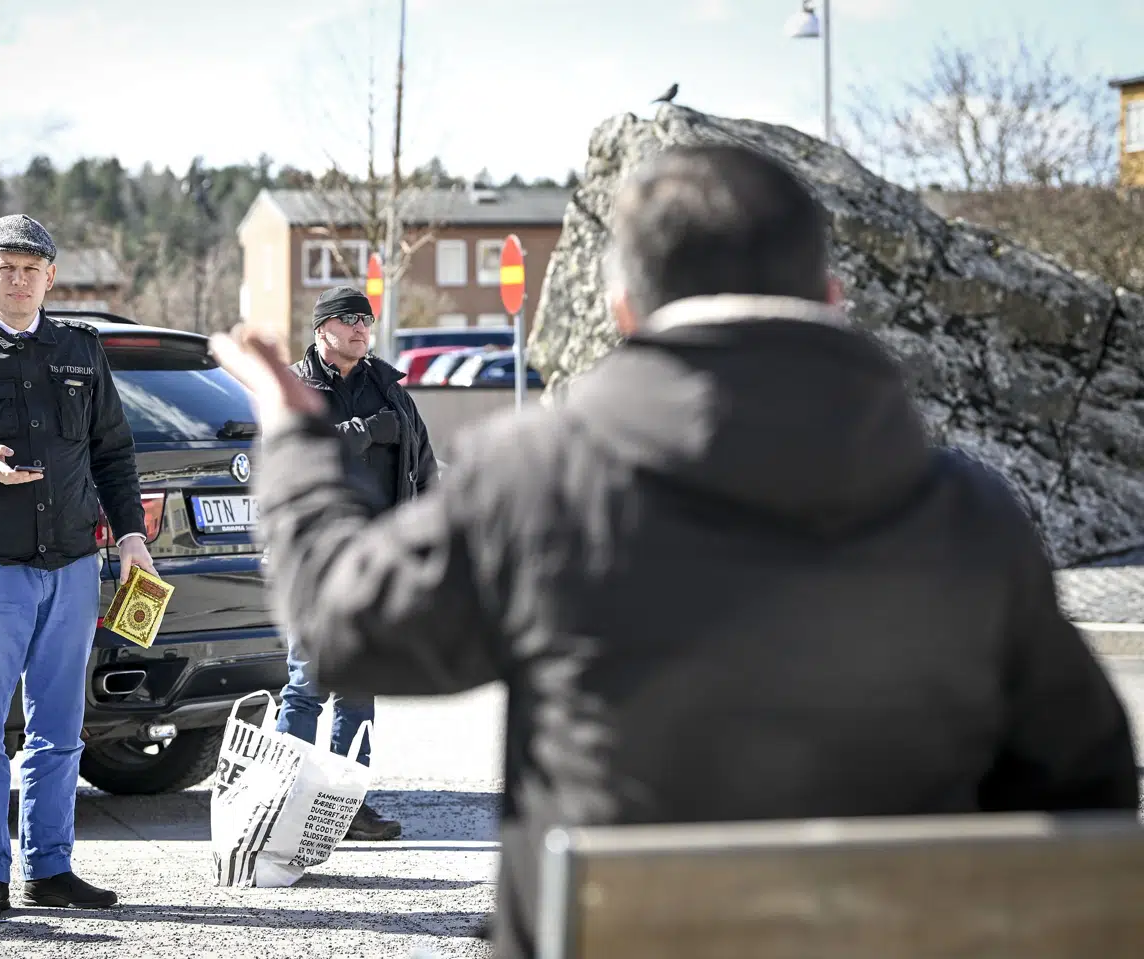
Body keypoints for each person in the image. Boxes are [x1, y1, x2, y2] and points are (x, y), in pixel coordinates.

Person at [209, 145, 1140, 959]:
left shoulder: (540, 482)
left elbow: (343, 629)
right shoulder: (969, 513)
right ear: (830, 298)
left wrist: (293, 443)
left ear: (621, 306)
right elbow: (1084, 799)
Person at [0, 214, 156, 921]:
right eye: (3, 266)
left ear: (50, 276)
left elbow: (113, 453)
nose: (16, 278)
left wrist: (130, 535)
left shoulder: (79, 351)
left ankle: (51, 867)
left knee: (60, 728)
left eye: (29, 267)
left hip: (72, 567)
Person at [272, 285, 439, 841]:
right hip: (317, 557)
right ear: (322, 329)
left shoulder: (390, 390)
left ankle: (345, 807)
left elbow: (425, 467)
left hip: (377, 558)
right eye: (349, 321)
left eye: (367, 321)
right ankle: (285, 801)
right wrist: (365, 433)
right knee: (307, 684)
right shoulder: (296, 388)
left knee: (360, 684)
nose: (362, 329)